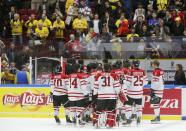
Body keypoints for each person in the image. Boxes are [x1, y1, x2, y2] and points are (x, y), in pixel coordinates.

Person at [93, 64, 121, 128]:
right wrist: (118, 93)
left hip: (101, 96)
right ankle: (109, 124)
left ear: (103, 69)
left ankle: (96, 123)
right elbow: (117, 87)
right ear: (110, 69)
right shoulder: (114, 75)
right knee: (111, 111)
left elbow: (95, 86)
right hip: (112, 96)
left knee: (98, 110)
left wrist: (95, 93)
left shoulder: (98, 75)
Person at [124, 60, 148, 125]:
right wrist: (139, 87)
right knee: (139, 106)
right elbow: (146, 82)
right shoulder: (143, 71)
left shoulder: (130, 71)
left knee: (128, 106)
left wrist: (123, 81)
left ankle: (128, 120)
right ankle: (138, 119)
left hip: (131, 93)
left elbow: (128, 83)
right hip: (139, 93)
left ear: (133, 64)